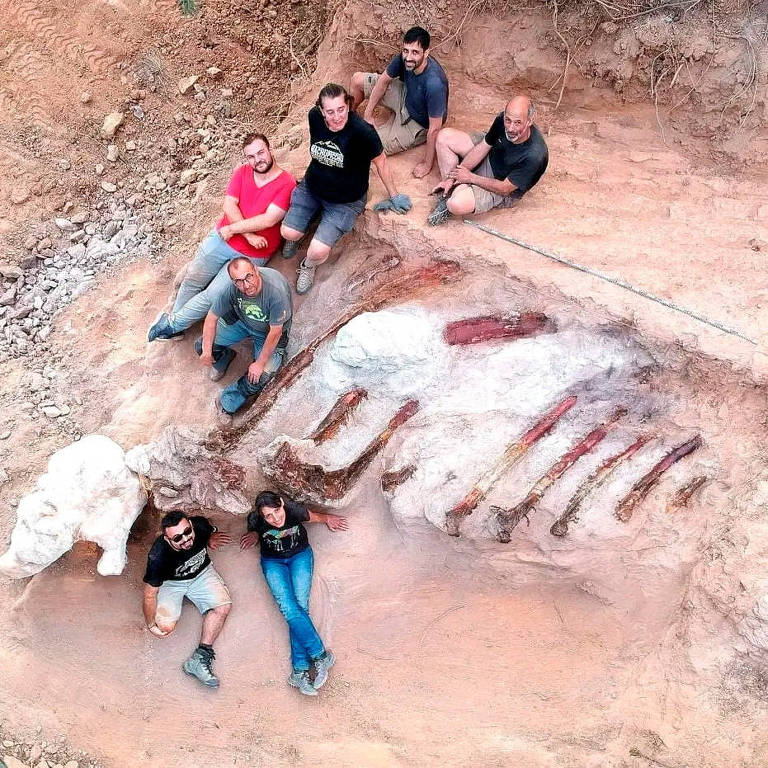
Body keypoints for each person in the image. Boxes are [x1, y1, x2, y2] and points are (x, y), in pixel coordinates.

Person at [148, 133, 296, 341]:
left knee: (213, 295)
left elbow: (270, 219)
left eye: (261, 152)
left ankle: (172, 325)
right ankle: (178, 327)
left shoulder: (286, 182)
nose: (257, 160)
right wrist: (247, 234)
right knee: (193, 279)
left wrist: (236, 230)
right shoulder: (242, 172)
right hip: (224, 237)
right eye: (251, 156)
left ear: (269, 150)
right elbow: (228, 204)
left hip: (251, 253)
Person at [280, 83, 412, 295]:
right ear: (321, 111)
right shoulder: (314, 117)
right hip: (313, 187)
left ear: (348, 105)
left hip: (345, 201)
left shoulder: (362, 132)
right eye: (330, 112)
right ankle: (303, 229)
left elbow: (382, 162)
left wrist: (394, 195)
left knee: (317, 251)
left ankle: (309, 264)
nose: (337, 116)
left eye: (341, 109)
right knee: (288, 232)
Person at [240, 491, 347, 696]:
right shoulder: (256, 519)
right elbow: (254, 529)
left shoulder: (293, 510)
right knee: (289, 609)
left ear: (281, 504)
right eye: (268, 516)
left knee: (300, 606)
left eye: (276, 511)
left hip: (300, 557)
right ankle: (319, 656)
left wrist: (328, 519)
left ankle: (299, 670)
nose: (275, 518)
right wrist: (254, 535)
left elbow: (314, 516)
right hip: (273, 563)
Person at [142, 511, 233, 688]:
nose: (185, 539)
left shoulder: (199, 525)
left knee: (223, 607)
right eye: (177, 538)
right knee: (164, 628)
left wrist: (210, 539)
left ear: (191, 525)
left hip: (202, 573)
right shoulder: (158, 556)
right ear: (168, 540)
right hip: (171, 583)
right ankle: (162, 622)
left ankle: (199, 659)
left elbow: (210, 529)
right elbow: (149, 594)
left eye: (187, 532)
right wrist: (151, 624)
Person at [428, 95, 548, 226]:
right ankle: (451, 186)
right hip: (491, 158)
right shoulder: (502, 120)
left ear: (529, 121)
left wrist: (470, 178)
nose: (511, 128)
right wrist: (453, 177)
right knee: (444, 137)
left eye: (518, 122)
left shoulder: (534, 155)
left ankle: (453, 194)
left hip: (501, 186)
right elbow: (484, 146)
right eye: (508, 120)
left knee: (455, 204)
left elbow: (505, 189)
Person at [197, 257, 292, 421]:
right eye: (239, 281)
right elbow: (211, 318)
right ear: (233, 282)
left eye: (249, 277)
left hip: (268, 333)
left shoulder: (275, 292)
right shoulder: (232, 290)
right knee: (202, 344)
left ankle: (226, 403)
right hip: (242, 322)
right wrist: (206, 351)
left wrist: (260, 363)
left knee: (259, 377)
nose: (246, 286)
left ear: (256, 270)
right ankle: (223, 359)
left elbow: (275, 333)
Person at [350, 26, 449, 178]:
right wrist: (368, 115)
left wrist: (427, 165)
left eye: (415, 52)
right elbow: (383, 81)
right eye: (406, 50)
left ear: (426, 53)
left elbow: (435, 129)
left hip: (417, 122)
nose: (408, 57)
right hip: (406, 94)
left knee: (363, 144)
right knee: (357, 79)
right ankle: (350, 116)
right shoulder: (405, 59)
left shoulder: (434, 84)